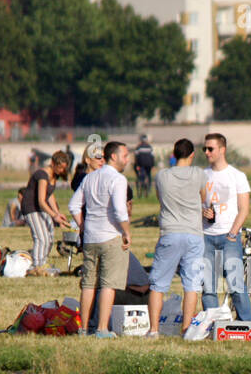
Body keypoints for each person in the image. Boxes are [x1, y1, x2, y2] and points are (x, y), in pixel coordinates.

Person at [68, 141, 132, 338]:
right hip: (111, 236)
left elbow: (73, 205)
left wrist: (83, 225)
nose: (127, 159)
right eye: (125, 155)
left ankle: (83, 328)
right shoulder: (118, 179)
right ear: (114, 156)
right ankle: (102, 329)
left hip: (90, 238)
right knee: (108, 284)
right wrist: (126, 232)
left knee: (88, 284)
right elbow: (120, 210)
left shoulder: (89, 178)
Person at [145, 138, 207, 337]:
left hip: (170, 232)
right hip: (193, 234)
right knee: (191, 285)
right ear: (191, 155)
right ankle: (186, 329)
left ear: (174, 155)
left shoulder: (162, 176)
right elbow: (204, 198)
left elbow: (159, 197)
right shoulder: (199, 174)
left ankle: (154, 329)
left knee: (158, 284)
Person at [200, 132, 251, 321]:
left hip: (229, 237)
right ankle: (213, 325)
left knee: (236, 285)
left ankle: (248, 324)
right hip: (206, 236)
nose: (206, 152)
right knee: (208, 287)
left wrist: (232, 234)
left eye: (210, 148)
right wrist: (202, 212)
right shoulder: (202, 175)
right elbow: (197, 203)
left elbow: (244, 209)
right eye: (204, 148)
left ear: (222, 150)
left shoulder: (237, 176)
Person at [23, 151, 72, 268]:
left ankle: (37, 259)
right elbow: (41, 200)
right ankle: (38, 266)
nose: (61, 171)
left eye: (63, 168)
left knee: (49, 238)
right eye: (59, 167)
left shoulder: (54, 175)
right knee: (42, 238)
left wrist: (57, 213)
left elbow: (49, 195)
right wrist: (54, 216)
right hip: (31, 208)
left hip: (41, 208)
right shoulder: (42, 175)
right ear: (52, 163)